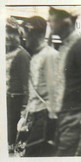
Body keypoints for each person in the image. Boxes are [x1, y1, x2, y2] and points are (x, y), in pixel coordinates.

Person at [48, 7, 81, 156]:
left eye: (52, 19)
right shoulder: (64, 48)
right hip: (64, 123)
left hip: (75, 123)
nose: (50, 24)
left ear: (65, 21)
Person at [17, 16, 59, 157]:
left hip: (46, 120)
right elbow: (34, 92)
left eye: (25, 34)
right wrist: (26, 116)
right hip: (36, 119)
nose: (24, 39)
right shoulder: (35, 57)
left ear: (34, 34)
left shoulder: (51, 56)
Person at [5, 18, 30, 153]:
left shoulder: (22, 56)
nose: (7, 36)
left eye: (10, 32)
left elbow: (27, 85)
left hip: (16, 101)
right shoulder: (5, 54)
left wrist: (23, 111)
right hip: (7, 99)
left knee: (13, 140)